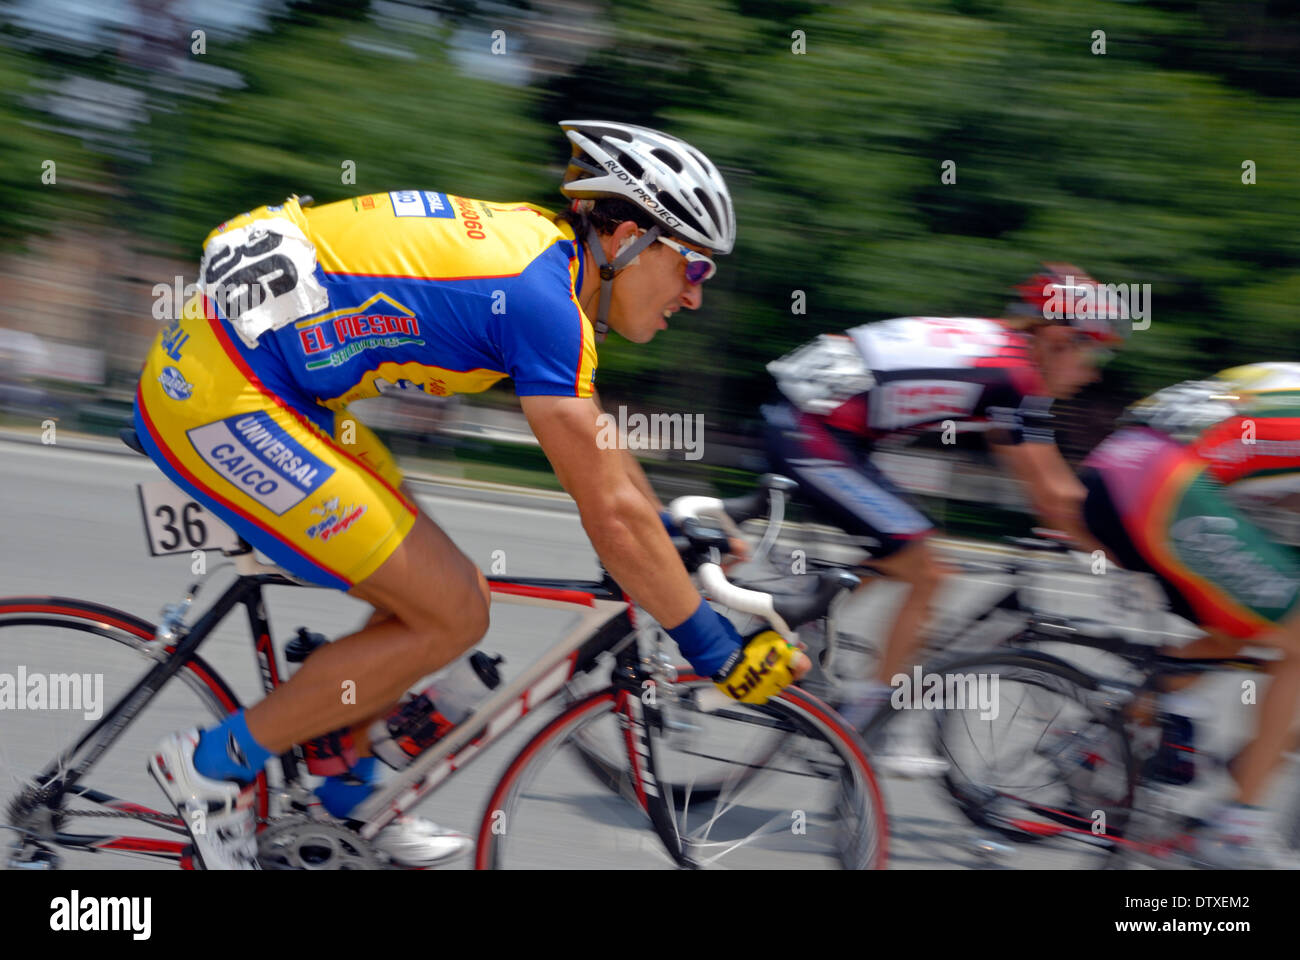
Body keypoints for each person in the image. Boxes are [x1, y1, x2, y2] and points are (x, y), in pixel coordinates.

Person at [133, 120, 808, 869]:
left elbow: (605, 467)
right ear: (624, 236)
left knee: (421, 590)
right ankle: (211, 766)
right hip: (223, 394)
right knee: (453, 608)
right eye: (694, 269)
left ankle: (344, 799)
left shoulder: (550, 266)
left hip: (281, 387)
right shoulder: (540, 299)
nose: (694, 297)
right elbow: (608, 515)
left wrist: (666, 525)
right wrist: (712, 647)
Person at [763, 264, 1124, 772]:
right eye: (1096, 351)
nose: (1096, 371)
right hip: (813, 429)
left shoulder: (1005, 351)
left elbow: (1042, 479)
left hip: (820, 417)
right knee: (929, 569)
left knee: (912, 555)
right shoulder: (1017, 375)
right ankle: (865, 721)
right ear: (1063, 336)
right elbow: (1051, 495)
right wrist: (1120, 552)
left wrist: (1074, 522)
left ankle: (797, 617)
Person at [1080, 362, 1300, 867]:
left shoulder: (1284, 378)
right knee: (1296, 640)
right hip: (1164, 483)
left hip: (1114, 467)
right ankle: (1237, 828)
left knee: (1235, 631)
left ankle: (1094, 745)